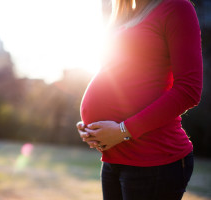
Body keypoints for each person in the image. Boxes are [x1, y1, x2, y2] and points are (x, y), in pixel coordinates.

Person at [76, 0, 203, 199]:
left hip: (154, 160)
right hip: (114, 158)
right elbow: (118, 77)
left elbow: (189, 90)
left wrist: (122, 131)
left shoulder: (177, 7)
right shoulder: (124, 14)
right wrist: (92, 127)